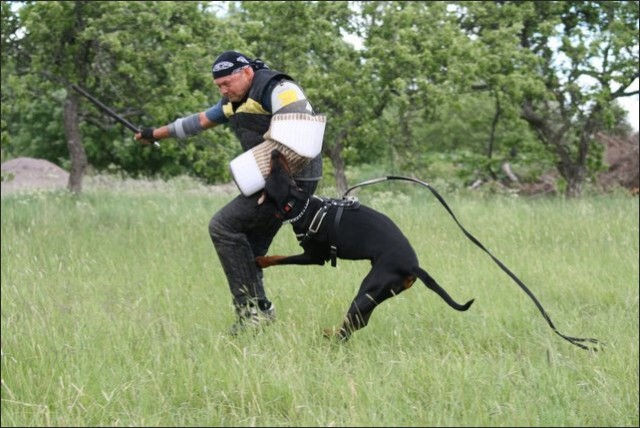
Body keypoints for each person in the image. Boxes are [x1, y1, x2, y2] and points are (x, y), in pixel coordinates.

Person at [135, 51, 323, 335]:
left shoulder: (280, 89)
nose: (223, 90)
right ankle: (259, 314)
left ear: (247, 72)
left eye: (227, 83)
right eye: (218, 86)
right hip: (274, 180)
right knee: (249, 246)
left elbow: (300, 138)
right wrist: (154, 134)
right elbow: (197, 122)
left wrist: (277, 189)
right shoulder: (234, 102)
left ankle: (251, 312)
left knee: (224, 226)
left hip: (293, 180)